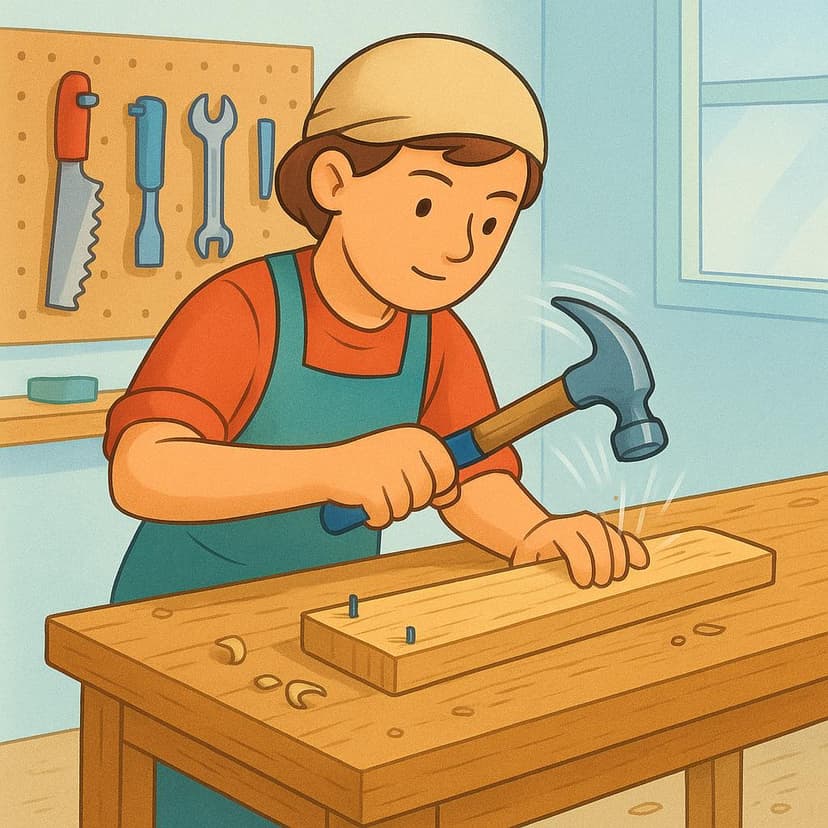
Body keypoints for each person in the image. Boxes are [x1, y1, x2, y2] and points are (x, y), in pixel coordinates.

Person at [104, 33, 649, 827]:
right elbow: (144, 470)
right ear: (333, 181)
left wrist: (537, 537)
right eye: (428, 204)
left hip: (325, 623)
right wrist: (332, 469)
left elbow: (477, 482)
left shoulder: (440, 339)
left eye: (492, 223)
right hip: (181, 625)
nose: (461, 247)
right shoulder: (242, 308)